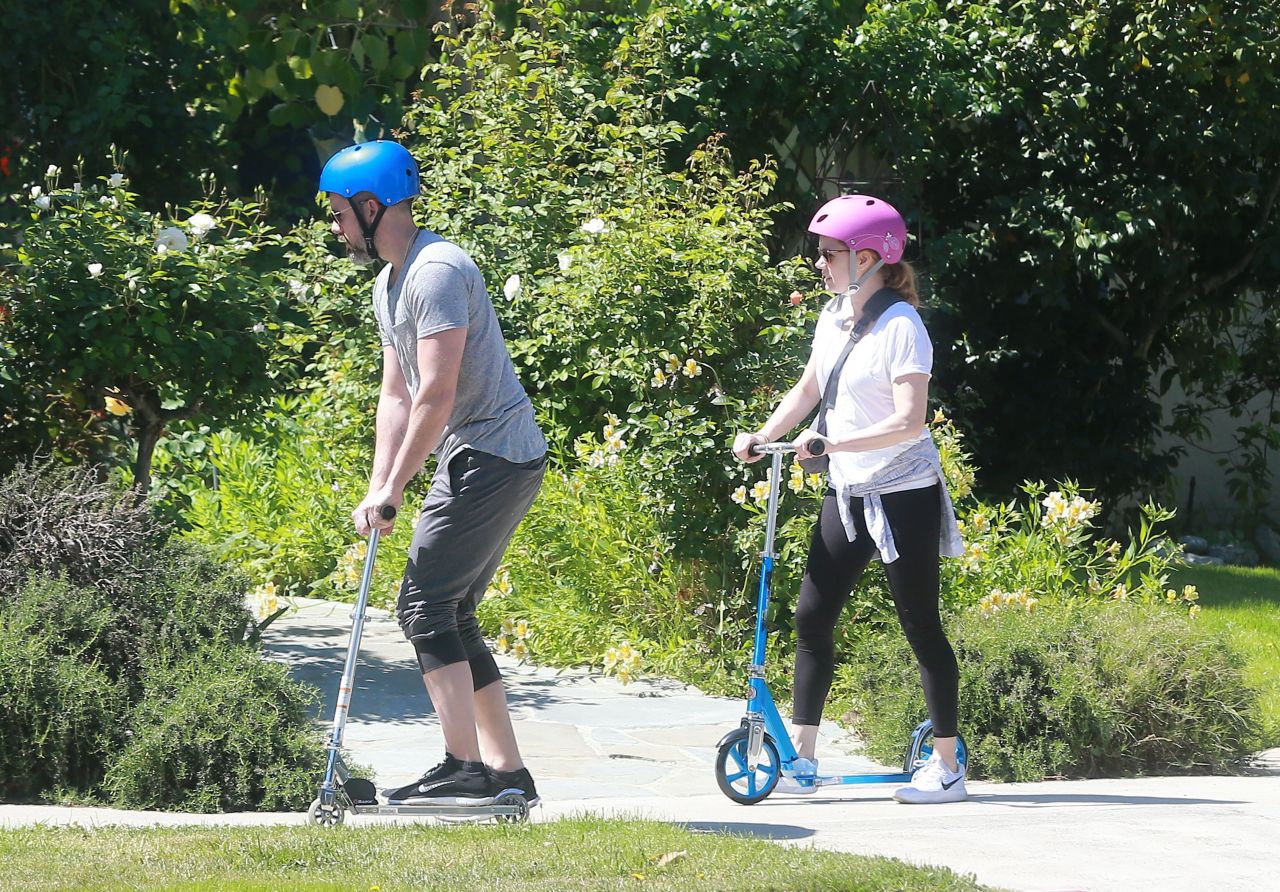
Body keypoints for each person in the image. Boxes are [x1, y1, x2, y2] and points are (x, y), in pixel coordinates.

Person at [319, 140, 548, 806]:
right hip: (484, 454)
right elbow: (396, 394)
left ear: (371, 206)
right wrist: (377, 484)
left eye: (338, 213)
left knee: (423, 606)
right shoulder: (389, 284)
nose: (334, 227)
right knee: (451, 611)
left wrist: (396, 487)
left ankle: (464, 766)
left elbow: (437, 394)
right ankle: (505, 772)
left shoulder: (437, 270)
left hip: (492, 452)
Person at [732, 194, 967, 804]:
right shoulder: (835, 316)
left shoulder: (902, 327)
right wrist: (766, 435)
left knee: (920, 625)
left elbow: (910, 421)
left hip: (902, 493)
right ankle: (802, 758)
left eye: (829, 254)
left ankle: (947, 766)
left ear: (868, 258)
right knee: (812, 616)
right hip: (849, 488)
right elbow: (811, 385)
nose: (820, 263)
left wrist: (832, 443)